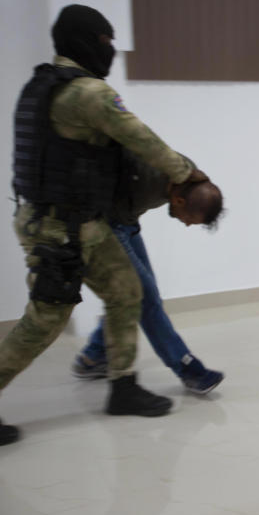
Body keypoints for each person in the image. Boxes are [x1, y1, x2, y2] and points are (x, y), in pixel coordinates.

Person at [0, 4, 205, 447]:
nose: (111, 50)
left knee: (126, 292)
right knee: (46, 321)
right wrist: (186, 172)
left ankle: (123, 386)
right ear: (83, 41)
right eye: (105, 41)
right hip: (58, 229)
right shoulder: (90, 94)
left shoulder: (39, 85)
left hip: (77, 222)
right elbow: (142, 140)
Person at [71, 152, 225, 394]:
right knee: (145, 297)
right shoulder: (147, 179)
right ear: (179, 202)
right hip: (106, 224)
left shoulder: (190, 177)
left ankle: (93, 357)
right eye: (189, 220)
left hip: (127, 222)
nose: (185, 224)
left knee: (140, 296)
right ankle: (188, 369)